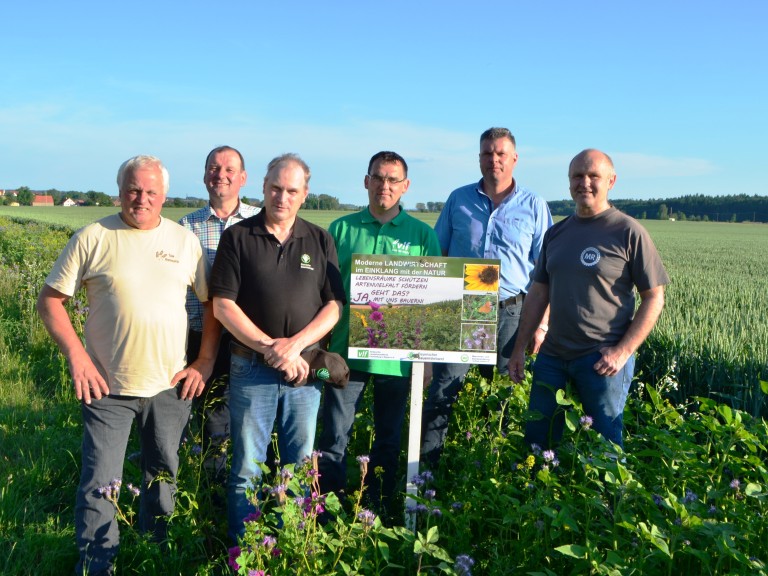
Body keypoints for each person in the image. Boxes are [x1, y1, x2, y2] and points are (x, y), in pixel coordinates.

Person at [37, 155, 216, 576]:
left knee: (163, 474)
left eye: (151, 192)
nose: (142, 198)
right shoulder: (93, 236)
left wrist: (205, 360)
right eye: (134, 189)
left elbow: (211, 307)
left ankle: (157, 553)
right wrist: (77, 356)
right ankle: (97, 565)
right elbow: (50, 301)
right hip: (106, 387)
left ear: (164, 196)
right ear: (120, 191)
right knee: (101, 482)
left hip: (169, 385)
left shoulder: (183, 241)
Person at [209, 153, 345, 541]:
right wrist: (272, 348)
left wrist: (297, 347)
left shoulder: (319, 239)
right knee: (248, 469)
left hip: (304, 373)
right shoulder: (238, 237)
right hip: (251, 368)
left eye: (291, 191)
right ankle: (246, 553)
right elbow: (223, 305)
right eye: (274, 188)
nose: (281, 197)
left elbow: (334, 305)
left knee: (299, 467)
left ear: (304, 195)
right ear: (263, 187)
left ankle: (292, 549)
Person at [509, 149, 669, 448]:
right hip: (553, 357)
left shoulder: (628, 231)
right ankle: (542, 493)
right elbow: (538, 293)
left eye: (593, 176)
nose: (585, 182)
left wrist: (622, 351)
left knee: (605, 448)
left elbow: (654, 297)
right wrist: (519, 348)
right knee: (537, 442)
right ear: (569, 182)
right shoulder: (556, 233)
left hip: (601, 359)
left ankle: (609, 497)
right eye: (577, 176)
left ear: (611, 181)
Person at [317, 151, 441, 521]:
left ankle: (379, 508)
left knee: (388, 438)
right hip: (343, 356)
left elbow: (434, 297)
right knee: (334, 436)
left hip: (398, 359)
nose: (384, 185)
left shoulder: (422, 235)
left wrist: (429, 360)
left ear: (405, 186)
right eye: (378, 177)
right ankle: (330, 512)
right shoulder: (340, 229)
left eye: (393, 179)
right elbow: (321, 288)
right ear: (366, 181)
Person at [421, 127, 553, 467]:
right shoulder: (458, 200)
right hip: (464, 309)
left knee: (503, 397)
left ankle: (495, 473)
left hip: (511, 312)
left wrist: (542, 326)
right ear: (479, 157)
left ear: (514, 159)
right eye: (486, 153)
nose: (493, 160)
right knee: (443, 392)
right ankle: (429, 473)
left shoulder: (534, 206)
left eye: (500, 154)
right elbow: (439, 255)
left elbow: (547, 271)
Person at [179, 146, 260, 483]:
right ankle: (208, 481)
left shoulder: (261, 220)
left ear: (242, 178)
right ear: (204, 176)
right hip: (199, 333)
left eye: (229, 169)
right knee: (208, 409)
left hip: (250, 336)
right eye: (214, 168)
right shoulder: (187, 226)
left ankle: (246, 479)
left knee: (249, 412)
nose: (220, 175)